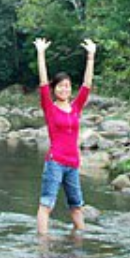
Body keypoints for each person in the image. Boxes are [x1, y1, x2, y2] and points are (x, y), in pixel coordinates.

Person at [34, 38, 97, 235]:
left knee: (76, 205)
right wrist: (41, 53)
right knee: (47, 204)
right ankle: (42, 244)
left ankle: (80, 238)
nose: (64, 89)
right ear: (55, 89)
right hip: (55, 162)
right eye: (60, 86)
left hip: (73, 163)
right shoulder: (50, 108)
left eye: (67, 86)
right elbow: (43, 83)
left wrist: (91, 56)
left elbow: (87, 85)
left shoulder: (76, 107)